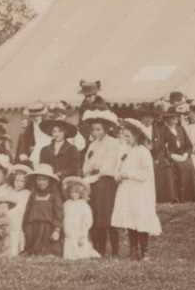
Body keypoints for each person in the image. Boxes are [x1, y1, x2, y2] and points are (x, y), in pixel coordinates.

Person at [111, 118, 160, 261]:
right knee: (130, 218)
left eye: (128, 136)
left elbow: (145, 174)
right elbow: (118, 168)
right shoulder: (124, 151)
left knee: (140, 218)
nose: (125, 139)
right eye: (123, 136)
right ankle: (133, 250)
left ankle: (145, 250)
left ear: (136, 136)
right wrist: (118, 176)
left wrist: (129, 175)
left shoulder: (143, 152)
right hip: (126, 189)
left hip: (139, 191)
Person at [81, 110, 121, 256]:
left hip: (106, 182)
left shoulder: (113, 143)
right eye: (93, 129)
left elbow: (108, 166)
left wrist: (97, 170)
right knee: (95, 214)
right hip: (93, 181)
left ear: (106, 129)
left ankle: (115, 250)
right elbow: (87, 164)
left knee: (106, 215)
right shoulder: (92, 144)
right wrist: (89, 171)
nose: (95, 132)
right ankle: (99, 248)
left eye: (98, 129)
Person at [61, 177, 98, 260]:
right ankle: (70, 254)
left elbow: (87, 219)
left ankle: (82, 253)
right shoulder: (67, 204)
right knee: (70, 240)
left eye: (76, 193)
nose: (74, 195)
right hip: (69, 227)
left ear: (81, 193)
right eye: (71, 192)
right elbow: (63, 215)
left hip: (79, 227)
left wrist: (84, 231)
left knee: (79, 242)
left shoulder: (83, 205)